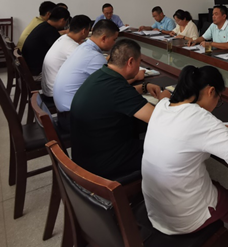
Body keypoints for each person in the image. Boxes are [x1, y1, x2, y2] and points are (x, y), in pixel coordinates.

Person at [142, 65, 228, 235]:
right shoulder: (200, 118)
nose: (217, 104)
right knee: (226, 198)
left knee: (213, 185)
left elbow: (165, 96)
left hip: (156, 208)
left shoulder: (163, 105)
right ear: (211, 91)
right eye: (219, 99)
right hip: (180, 219)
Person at [71, 38, 168, 181]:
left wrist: (144, 87)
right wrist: (164, 99)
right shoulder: (117, 89)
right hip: (102, 163)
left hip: (85, 154)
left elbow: (118, 95)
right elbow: (160, 120)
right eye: (139, 62)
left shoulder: (101, 75)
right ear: (130, 62)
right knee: (168, 152)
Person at [53, 19, 122, 131]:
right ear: (104, 38)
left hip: (64, 112)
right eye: (114, 39)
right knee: (122, 114)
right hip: (73, 118)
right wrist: (137, 77)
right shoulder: (94, 57)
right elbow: (114, 87)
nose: (114, 43)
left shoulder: (83, 47)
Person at [41, 14, 91, 98]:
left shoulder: (64, 38)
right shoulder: (72, 47)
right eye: (88, 30)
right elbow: (87, 67)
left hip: (49, 88)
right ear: (83, 31)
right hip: (56, 94)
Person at [22, 6, 71, 78]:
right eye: (66, 22)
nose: (65, 25)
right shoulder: (50, 30)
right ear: (62, 20)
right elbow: (62, 50)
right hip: (36, 71)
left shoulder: (43, 26)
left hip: (29, 66)